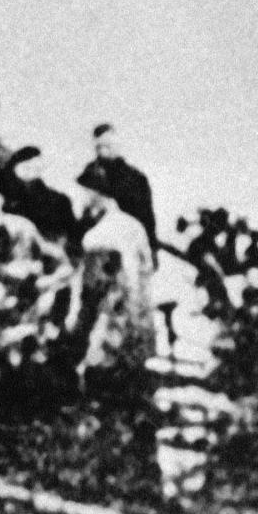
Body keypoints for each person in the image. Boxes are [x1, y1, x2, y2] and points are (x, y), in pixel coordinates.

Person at [0, 177, 80, 396]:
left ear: (0, 202)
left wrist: (54, 274)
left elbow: (55, 256)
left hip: (28, 303)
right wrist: (25, 271)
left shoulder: (21, 226)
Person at [73, 164, 157, 383]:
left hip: (112, 307)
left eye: (85, 191)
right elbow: (147, 266)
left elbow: (93, 283)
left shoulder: (102, 232)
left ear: (96, 192)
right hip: (134, 308)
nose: (82, 197)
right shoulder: (133, 225)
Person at [85, 124, 158, 247]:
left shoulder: (137, 178)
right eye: (100, 146)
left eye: (108, 145)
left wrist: (152, 246)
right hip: (98, 241)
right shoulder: (89, 175)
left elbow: (148, 218)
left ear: (117, 143)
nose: (104, 149)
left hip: (132, 240)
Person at [2, 144, 80, 243]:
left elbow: (70, 234)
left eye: (36, 168)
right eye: (27, 167)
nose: (30, 173)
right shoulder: (0, 195)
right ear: (13, 167)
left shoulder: (58, 200)